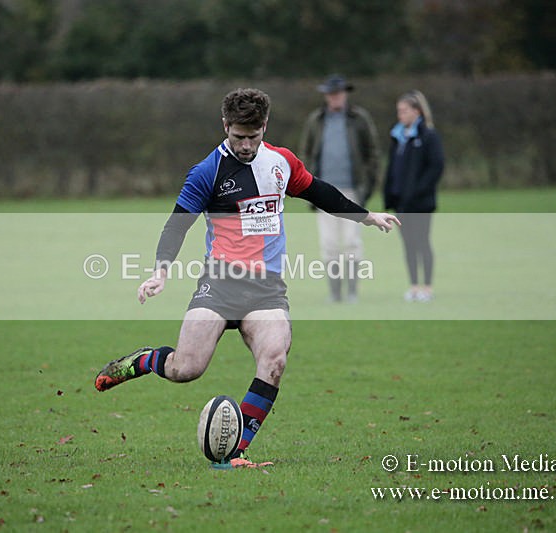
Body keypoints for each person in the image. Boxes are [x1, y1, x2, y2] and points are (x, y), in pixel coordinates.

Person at [94, 88, 399, 468]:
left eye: (253, 137)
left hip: (266, 290)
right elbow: (177, 225)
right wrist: (160, 271)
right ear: (225, 127)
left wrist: (367, 216)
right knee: (185, 369)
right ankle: (140, 362)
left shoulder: (281, 162)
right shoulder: (207, 172)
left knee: (274, 360)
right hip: (219, 285)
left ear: (264, 127)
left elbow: (320, 193)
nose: (245, 145)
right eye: (238, 137)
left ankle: (236, 450)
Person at [300, 75, 380, 303]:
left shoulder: (359, 119)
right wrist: (309, 188)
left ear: (345, 94)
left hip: (352, 190)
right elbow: (305, 153)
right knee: (329, 244)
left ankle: (352, 292)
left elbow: (372, 154)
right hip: (323, 192)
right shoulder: (316, 120)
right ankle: (335, 294)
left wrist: (367, 187)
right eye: (331, 93)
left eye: (338, 93)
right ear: (326, 96)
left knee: (351, 242)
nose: (335, 97)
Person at [383, 90, 444, 302]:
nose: (400, 114)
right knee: (408, 244)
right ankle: (414, 286)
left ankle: (427, 287)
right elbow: (393, 169)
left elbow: (436, 167)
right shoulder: (398, 136)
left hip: (420, 203)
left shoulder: (428, 135)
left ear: (416, 111)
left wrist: (418, 191)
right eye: (398, 111)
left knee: (422, 242)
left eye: (404, 110)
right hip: (401, 203)